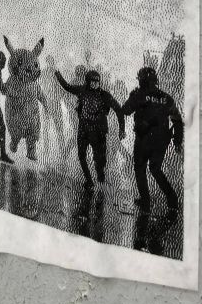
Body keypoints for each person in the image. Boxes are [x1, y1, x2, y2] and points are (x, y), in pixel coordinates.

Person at [54, 68, 125, 201]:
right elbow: (67, 87)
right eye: (92, 81)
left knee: (99, 162)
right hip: (83, 129)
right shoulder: (82, 90)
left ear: (100, 82)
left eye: (97, 81)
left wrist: (122, 129)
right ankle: (90, 182)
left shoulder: (104, 95)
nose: (94, 84)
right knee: (81, 156)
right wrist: (58, 75)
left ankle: (103, 189)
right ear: (88, 81)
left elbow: (119, 110)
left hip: (98, 132)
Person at [122, 66, 183, 213]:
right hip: (161, 141)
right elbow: (177, 120)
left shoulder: (139, 94)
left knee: (140, 168)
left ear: (141, 80)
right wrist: (177, 141)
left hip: (144, 139)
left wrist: (132, 96)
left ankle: (146, 202)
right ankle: (172, 200)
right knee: (155, 169)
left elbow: (125, 110)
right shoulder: (166, 98)